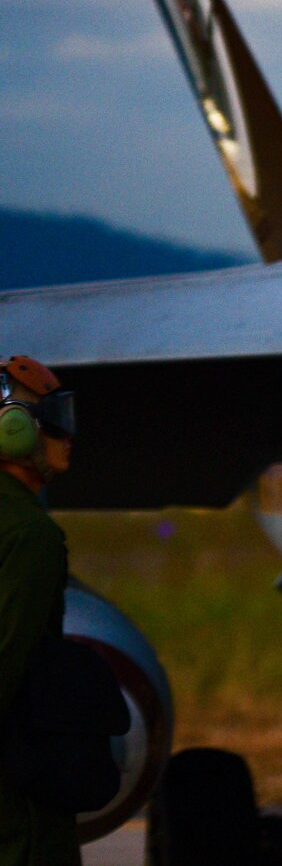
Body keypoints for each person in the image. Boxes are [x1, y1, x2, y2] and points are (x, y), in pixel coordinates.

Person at [0, 355, 80, 866]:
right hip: (15, 803)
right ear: (12, 429)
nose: (68, 434)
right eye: (52, 419)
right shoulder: (29, 535)